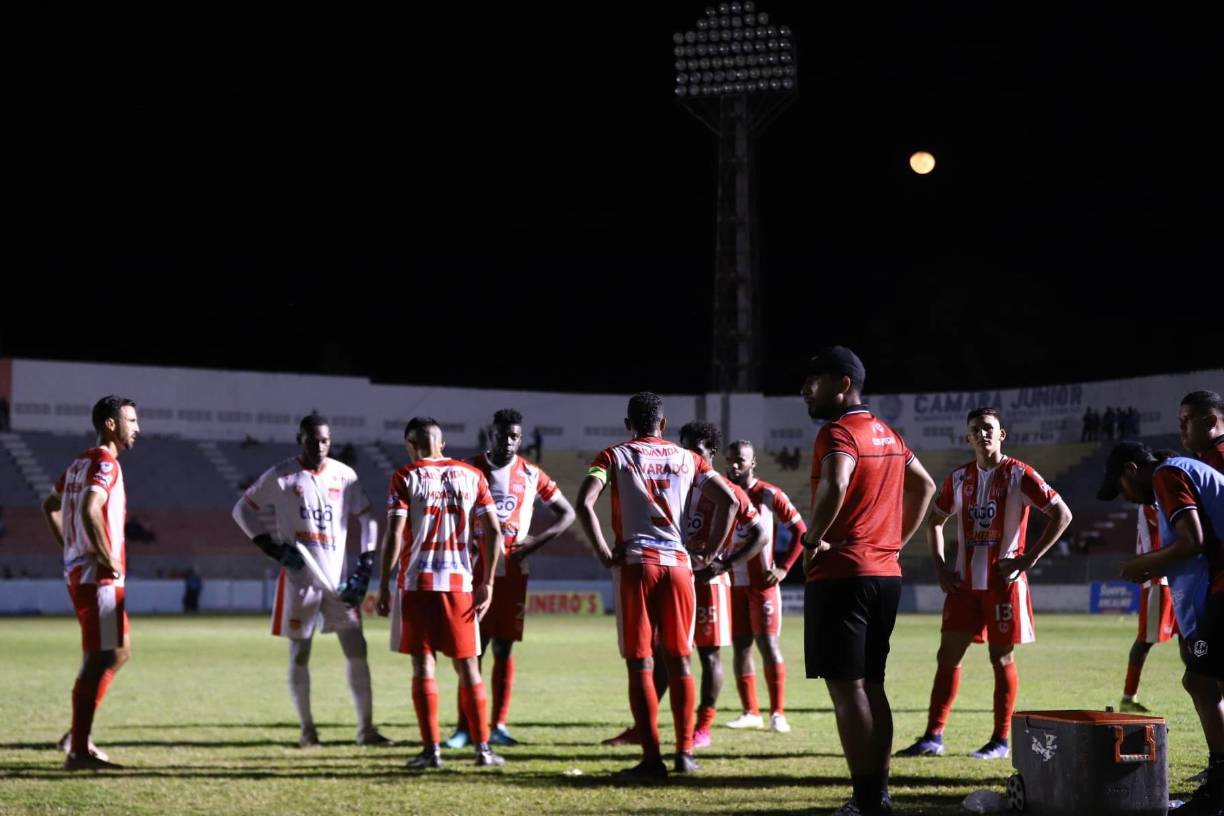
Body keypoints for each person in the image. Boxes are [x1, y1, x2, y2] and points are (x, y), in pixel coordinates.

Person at [799, 347, 936, 816]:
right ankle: (877, 795)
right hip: (885, 575)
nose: (805, 390)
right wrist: (896, 543)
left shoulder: (838, 431)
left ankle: (866, 799)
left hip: (842, 575)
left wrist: (812, 540)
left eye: (813, 381)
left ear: (842, 384)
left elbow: (836, 483)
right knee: (872, 685)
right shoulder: (891, 434)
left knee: (847, 688)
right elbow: (926, 486)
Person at [896, 407, 1072, 761]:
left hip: (1003, 585)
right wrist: (941, 568)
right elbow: (934, 522)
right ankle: (933, 737)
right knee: (947, 655)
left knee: (1000, 656)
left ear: (1001, 434)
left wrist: (1028, 559)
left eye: (989, 428)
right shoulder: (958, 479)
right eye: (975, 430)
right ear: (968, 438)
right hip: (963, 585)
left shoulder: (1020, 474)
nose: (983, 434)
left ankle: (1000, 741)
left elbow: (1062, 514)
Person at [576, 392, 736, 778]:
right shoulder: (690, 458)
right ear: (663, 425)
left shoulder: (612, 456)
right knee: (680, 660)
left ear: (628, 424)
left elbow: (584, 502)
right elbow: (729, 501)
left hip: (637, 565)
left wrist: (601, 550)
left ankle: (652, 760)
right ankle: (685, 754)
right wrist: (710, 556)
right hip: (679, 567)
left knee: (641, 663)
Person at [231, 413, 390, 749]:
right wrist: (271, 547)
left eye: (325, 440)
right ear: (299, 439)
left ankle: (366, 730)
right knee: (299, 653)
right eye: (312, 440)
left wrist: (364, 563)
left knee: (357, 649)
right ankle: (308, 731)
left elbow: (367, 519)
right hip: (300, 581)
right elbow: (242, 511)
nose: (319, 446)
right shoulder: (282, 475)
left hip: (337, 580)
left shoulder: (344, 476)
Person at [1100, 442, 1224, 814]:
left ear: (1131, 469)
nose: (1125, 496)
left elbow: (1193, 540)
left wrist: (1144, 563)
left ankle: (1219, 787)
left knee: (1200, 680)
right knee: (1204, 678)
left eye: (1120, 485)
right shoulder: (1183, 470)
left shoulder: (1165, 475)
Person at [377, 417, 507, 769]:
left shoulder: (405, 476)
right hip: (459, 584)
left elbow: (393, 533)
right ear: (442, 443)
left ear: (410, 445)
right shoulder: (472, 475)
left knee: (423, 667)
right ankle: (483, 750)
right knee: (469, 669)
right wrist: (488, 582)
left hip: (417, 583)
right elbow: (494, 532)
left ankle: (431, 751)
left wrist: (384, 584)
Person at [444, 409, 576, 748]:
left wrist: (536, 542)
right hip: (473, 569)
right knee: (472, 650)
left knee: (503, 647)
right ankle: (465, 728)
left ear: (520, 438)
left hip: (514, 571)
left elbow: (567, 513)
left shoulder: (531, 474)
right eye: (502, 434)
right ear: (491, 434)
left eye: (514, 436)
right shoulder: (468, 469)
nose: (507, 441)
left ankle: (498, 725)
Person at [42, 395, 140, 770]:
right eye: (131, 420)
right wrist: (104, 556)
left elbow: (50, 505)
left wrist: (70, 546)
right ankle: (78, 749)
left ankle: (76, 736)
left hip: (82, 572)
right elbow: (88, 509)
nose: (137, 428)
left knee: (117, 651)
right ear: (111, 424)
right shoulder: (104, 463)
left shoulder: (78, 463)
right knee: (100, 658)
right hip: (97, 577)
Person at [679, 422, 765, 750]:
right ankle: (653, 723)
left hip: (710, 583)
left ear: (711, 453)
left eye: (695, 450)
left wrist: (724, 563)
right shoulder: (681, 485)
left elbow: (761, 534)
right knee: (669, 652)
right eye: (683, 448)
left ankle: (703, 727)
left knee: (709, 656)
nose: (688, 456)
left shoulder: (729, 491)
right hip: (679, 578)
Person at [723, 438, 808, 734]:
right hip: (733, 583)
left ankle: (777, 714)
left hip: (763, 584)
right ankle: (751, 712)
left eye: (740, 460)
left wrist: (784, 567)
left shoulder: (769, 494)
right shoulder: (723, 493)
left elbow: (801, 531)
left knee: (768, 645)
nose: (734, 465)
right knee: (741, 648)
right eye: (730, 459)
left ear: (753, 462)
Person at [1118, 502, 1177, 713]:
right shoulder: (1150, 504)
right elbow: (1165, 530)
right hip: (1157, 579)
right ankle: (1128, 697)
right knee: (1145, 639)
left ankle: (1203, 685)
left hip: (1174, 577)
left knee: (1190, 636)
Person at [1181, 390, 1224, 471]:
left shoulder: (1219, 458)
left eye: (1187, 419)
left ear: (1210, 422)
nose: (1181, 426)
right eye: (1181, 421)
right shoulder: (1210, 458)